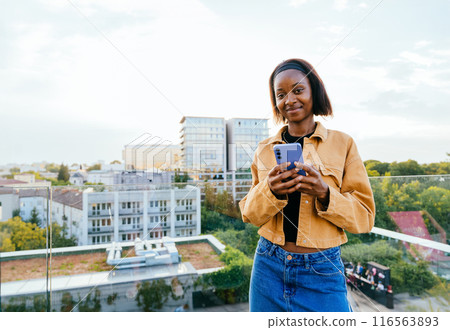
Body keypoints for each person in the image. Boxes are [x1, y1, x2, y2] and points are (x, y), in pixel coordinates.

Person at [239, 58, 375, 312]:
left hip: (322, 267)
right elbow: (249, 213)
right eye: (280, 95)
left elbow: (365, 217)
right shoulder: (265, 149)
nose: (289, 100)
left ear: (314, 91)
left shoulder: (343, 144)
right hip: (268, 265)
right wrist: (270, 191)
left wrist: (324, 192)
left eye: (298, 90)